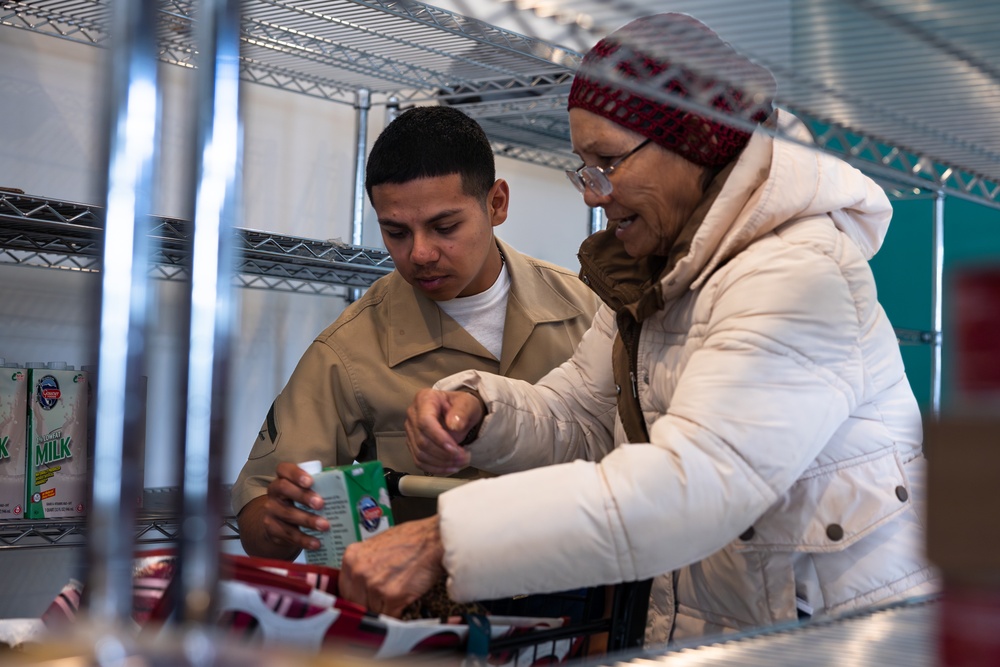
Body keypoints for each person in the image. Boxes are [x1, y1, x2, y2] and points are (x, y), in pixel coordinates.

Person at [338, 13, 939, 644]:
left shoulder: (794, 277)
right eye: (583, 166)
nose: (593, 194)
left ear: (695, 142)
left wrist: (447, 539)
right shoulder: (659, 275)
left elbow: (696, 487)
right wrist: (482, 411)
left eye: (607, 161)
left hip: (843, 645)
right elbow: (584, 416)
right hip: (727, 629)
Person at [231, 105, 599, 558]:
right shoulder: (348, 351)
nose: (420, 253)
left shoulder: (588, 312)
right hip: (431, 620)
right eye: (396, 232)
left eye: (445, 227)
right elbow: (260, 514)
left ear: (496, 203)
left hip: (579, 610)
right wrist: (279, 521)